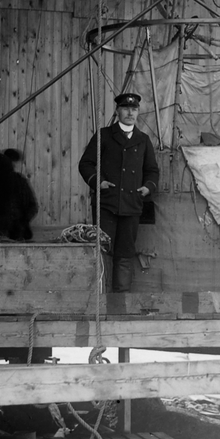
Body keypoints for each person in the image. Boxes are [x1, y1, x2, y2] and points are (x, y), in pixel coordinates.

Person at [78, 92, 159, 292]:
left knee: (125, 254)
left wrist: (148, 187)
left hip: (132, 205)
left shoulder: (143, 140)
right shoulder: (104, 135)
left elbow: (152, 170)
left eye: (134, 109)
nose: (130, 113)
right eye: (125, 108)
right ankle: (99, 300)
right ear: (118, 111)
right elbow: (86, 164)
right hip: (106, 204)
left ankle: (119, 303)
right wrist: (99, 182)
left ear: (138, 112)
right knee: (102, 252)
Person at [3, 148, 39, 241]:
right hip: (1, 230)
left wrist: (23, 222)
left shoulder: (20, 181)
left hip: (18, 231)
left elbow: (33, 206)